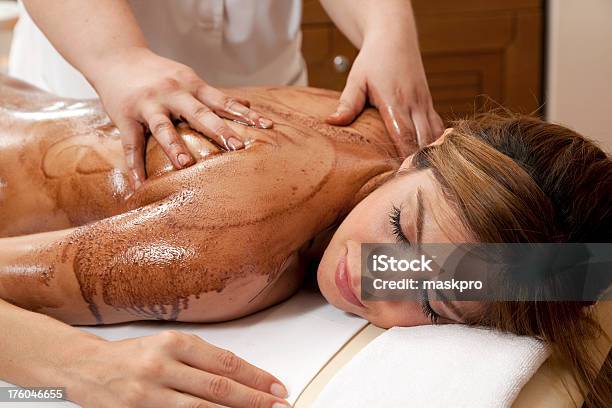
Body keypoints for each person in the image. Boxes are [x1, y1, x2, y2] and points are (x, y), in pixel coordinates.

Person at [0, 74, 610, 407]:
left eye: (432, 299)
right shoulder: (227, 255)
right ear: (426, 153)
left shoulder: (383, 131)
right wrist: (79, 367)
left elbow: (580, 268)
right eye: (401, 231)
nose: (374, 276)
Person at [10, 0, 444, 190]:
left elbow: (506, 274)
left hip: (271, 105)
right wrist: (116, 57)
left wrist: (388, 26)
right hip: (90, 101)